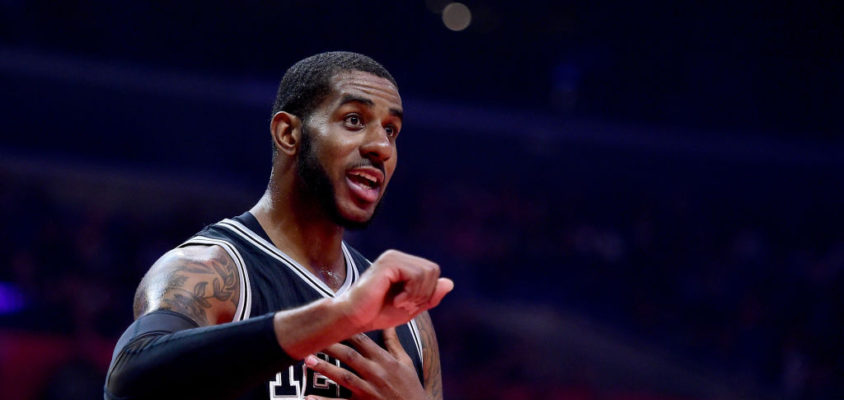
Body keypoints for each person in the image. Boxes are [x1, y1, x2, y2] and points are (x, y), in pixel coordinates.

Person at [104, 51, 453, 400]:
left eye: (391, 130)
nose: (381, 146)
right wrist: (340, 316)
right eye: (353, 120)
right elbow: (127, 383)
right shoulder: (212, 270)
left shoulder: (410, 322)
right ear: (288, 134)